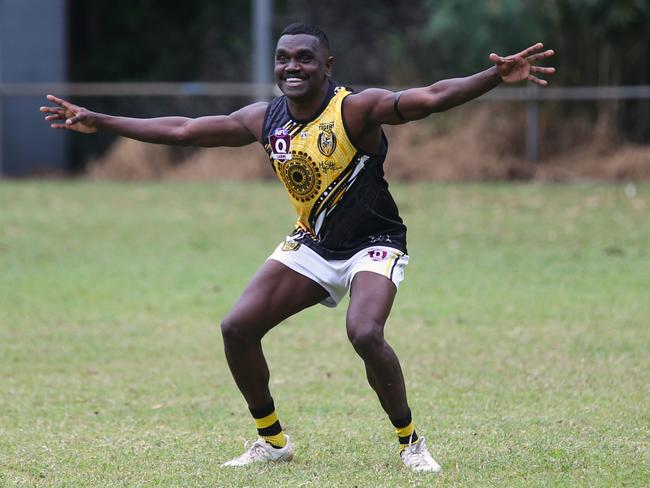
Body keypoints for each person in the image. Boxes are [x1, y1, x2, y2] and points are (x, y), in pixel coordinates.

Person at [41, 22, 554, 473]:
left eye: (305, 57)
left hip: (373, 243)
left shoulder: (356, 109)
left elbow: (432, 96)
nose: (293, 66)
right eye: (283, 58)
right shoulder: (265, 119)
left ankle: (410, 443)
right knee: (237, 327)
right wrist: (100, 120)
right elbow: (184, 129)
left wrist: (493, 77)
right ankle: (272, 442)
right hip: (312, 243)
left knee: (365, 331)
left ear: (327, 65)